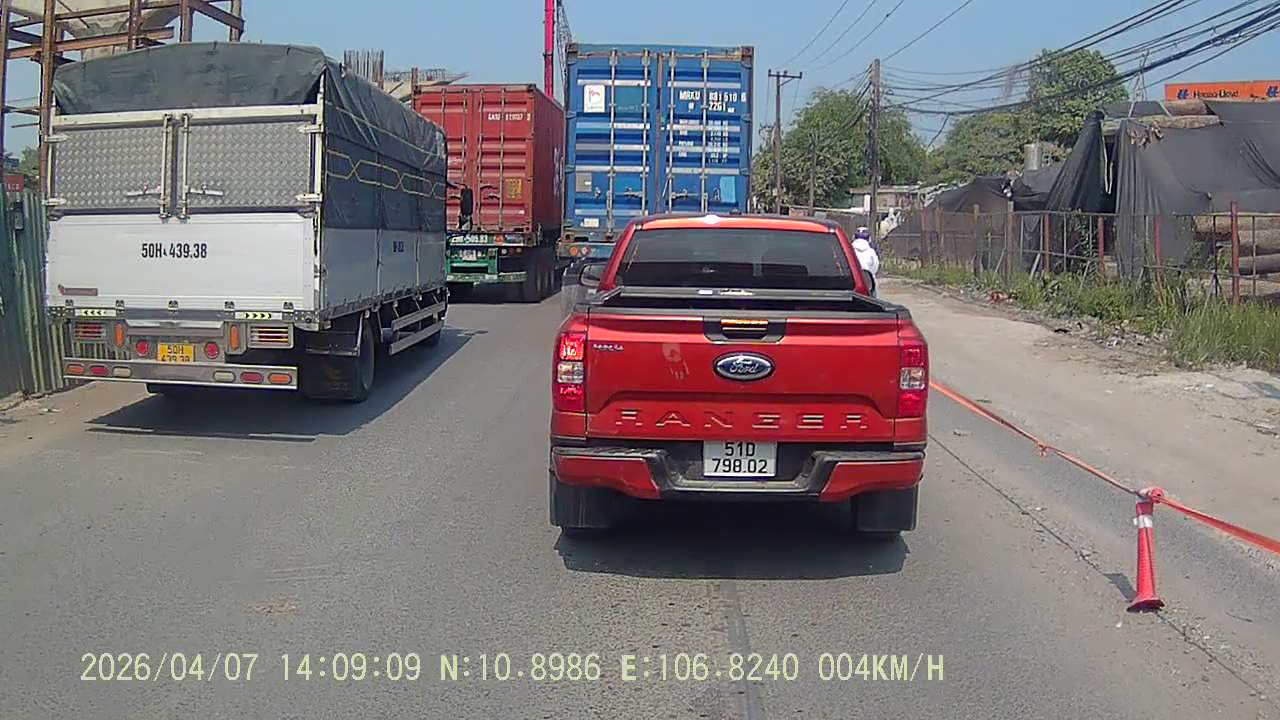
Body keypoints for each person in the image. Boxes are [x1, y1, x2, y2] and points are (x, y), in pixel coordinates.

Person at [852, 226, 880, 296]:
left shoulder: (849, 250)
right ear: (869, 239)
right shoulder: (871, 251)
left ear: (854, 237)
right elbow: (875, 266)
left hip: (852, 280)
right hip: (868, 281)